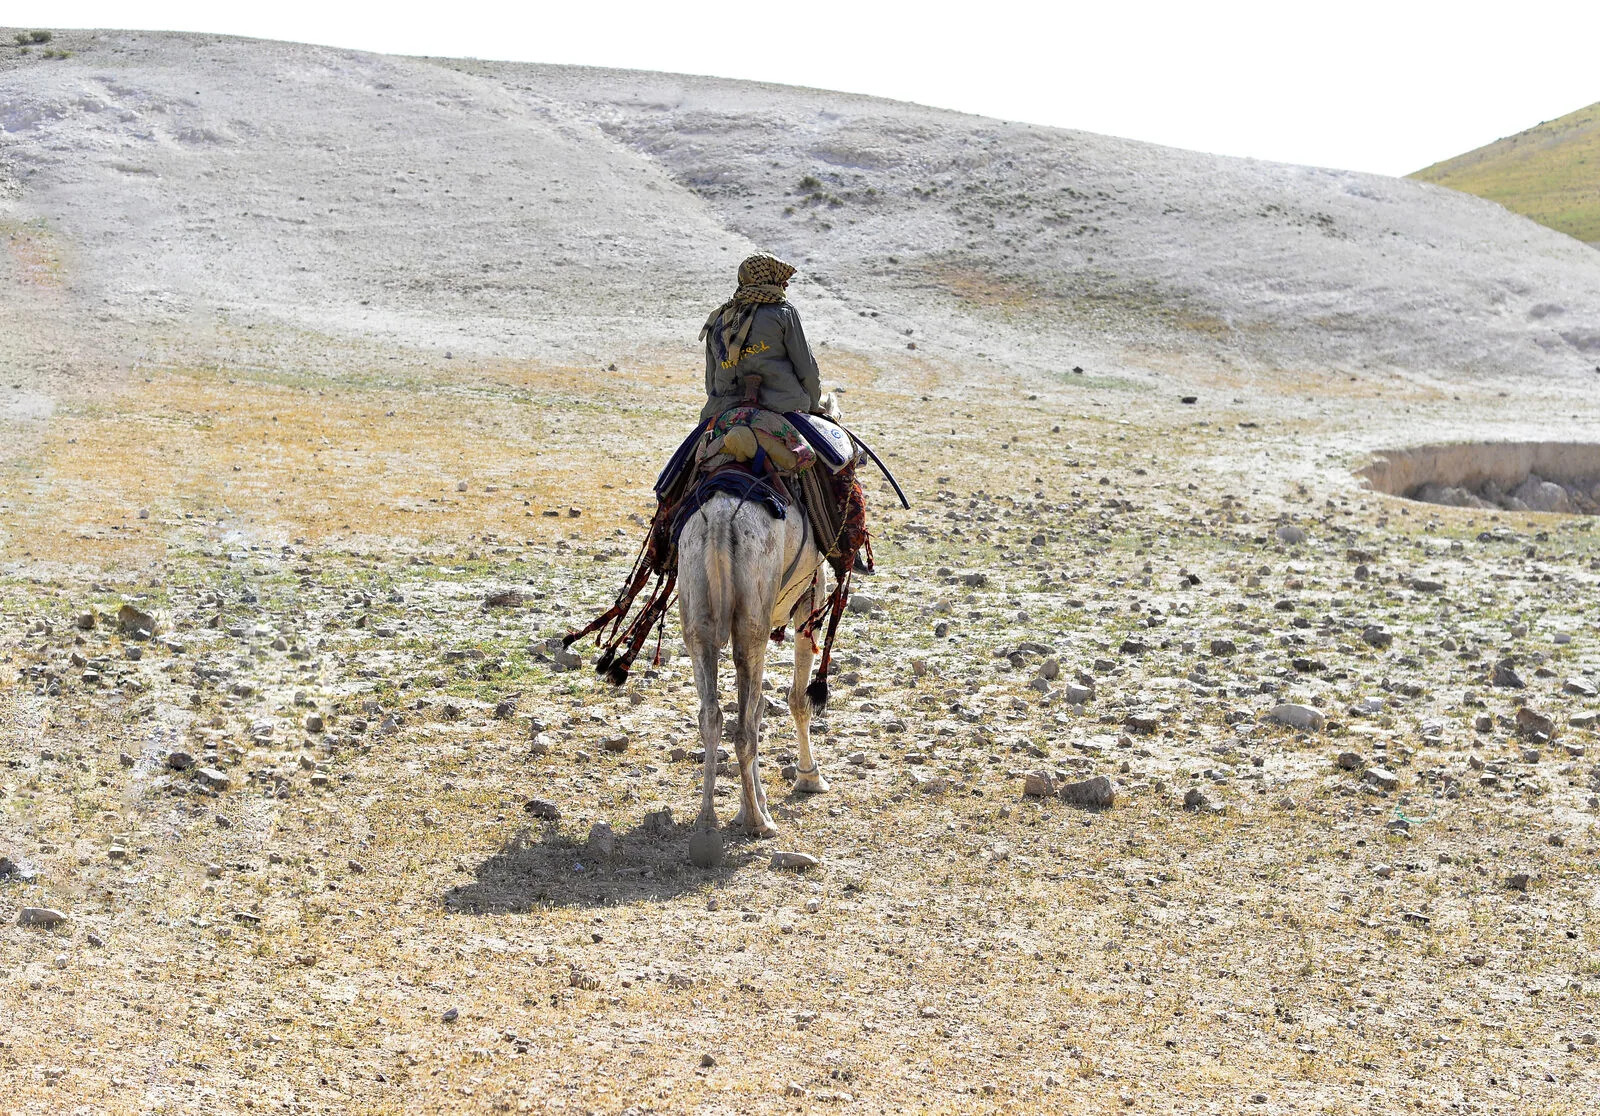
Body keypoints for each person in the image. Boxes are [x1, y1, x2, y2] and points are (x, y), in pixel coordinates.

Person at [699, 253, 822, 421]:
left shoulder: (718, 318)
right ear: (767, 280)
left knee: (691, 447)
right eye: (778, 278)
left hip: (721, 409)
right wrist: (814, 405)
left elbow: (711, 382)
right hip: (783, 406)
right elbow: (807, 370)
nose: (785, 284)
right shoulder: (783, 312)